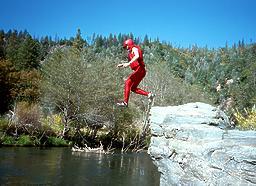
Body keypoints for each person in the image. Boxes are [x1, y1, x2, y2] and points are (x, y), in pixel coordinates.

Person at [116, 38, 154, 107]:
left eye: (126, 46)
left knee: (127, 82)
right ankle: (149, 94)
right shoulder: (131, 53)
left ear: (129, 44)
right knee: (133, 88)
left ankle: (125, 102)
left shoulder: (134, 48)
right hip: (141, 71)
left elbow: (137, 56)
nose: (126, 48)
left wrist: (128, 63)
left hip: (140, 69)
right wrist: (123, 64)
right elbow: (134, 61)